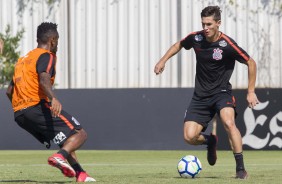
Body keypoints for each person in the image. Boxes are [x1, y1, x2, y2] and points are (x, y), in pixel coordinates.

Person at [154, 6, 259, 179]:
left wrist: (251, 91)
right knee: (189, 136)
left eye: (209, 24)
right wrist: (162, 61)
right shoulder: (196, 38)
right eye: (203, 24)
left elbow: (251, 63)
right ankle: (210, 141)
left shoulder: (227, 44)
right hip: (200, 96)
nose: (205, 28)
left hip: (222, 93)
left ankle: (240, 169)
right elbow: (178, 45)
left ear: (218, 23)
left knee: (228, 122)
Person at [6, 22, 96, 182]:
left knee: (64, 139)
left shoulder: (22, 60)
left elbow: (9, 91)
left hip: (19, 114)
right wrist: (53, 97)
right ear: (53, 40)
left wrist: (22, 108)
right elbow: (44, 78)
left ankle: (80, 173)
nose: (57, 45)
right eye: (58, 41)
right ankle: (59, 157)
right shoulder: (47, 55)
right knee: (79, 133)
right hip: (36, 106)